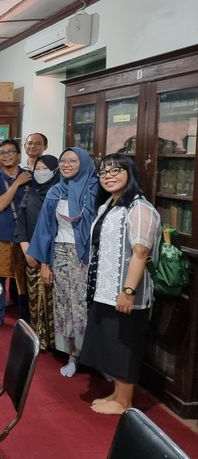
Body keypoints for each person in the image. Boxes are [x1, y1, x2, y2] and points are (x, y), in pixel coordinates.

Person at [80, 154, 160, 414]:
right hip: (105, 288)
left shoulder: (139, 208)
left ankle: (124, 401)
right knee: (112, 343)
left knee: (125, 344)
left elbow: (140, 253)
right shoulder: (110, 205)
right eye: (104, 173)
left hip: (126, 292)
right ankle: (116, 394)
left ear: (131, 173)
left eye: (116, 171)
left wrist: (128, 291)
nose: (109, 176)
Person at [28, 147, 99, 377]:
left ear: (85, 163)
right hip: (59, 253)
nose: (67, 164)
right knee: (64, 305)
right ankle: (73, 355)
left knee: (86, 307)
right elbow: (45, 229)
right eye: (63, 161)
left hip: (87, 256)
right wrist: (45, 264)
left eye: (73, 160)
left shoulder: (96, 189)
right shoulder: (55, 191)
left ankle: (96, 356)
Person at [14, 155, 60, 350]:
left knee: (54, 302)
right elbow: (22, 223)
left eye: (45, 168)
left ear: (55, 171)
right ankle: (37, 337)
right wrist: (27, 251)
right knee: (34, 298)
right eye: (37, 168)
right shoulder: (30, 193)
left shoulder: (60, 194)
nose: (40, 172)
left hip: (54, 256)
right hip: (31, 253)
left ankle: (56, 343)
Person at [0, 139, 31, 329]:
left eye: (10, 152)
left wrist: (21, 179)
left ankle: (25, 319)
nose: (6, 155)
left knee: (24, 279)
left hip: (26, 234)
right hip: (1, 233)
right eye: (2, 153)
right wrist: (17, 184)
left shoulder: (31, 176)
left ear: (18, 155)